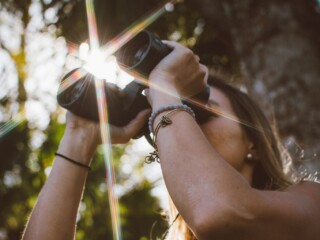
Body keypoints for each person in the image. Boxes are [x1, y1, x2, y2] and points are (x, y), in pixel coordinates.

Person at [22, 41, 320, 240]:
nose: (183, 124)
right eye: (177, 114)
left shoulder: (309, 201)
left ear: (252, 141)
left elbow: (217, 212)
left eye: (200, 113)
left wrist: (164, 85)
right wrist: (79, 136)